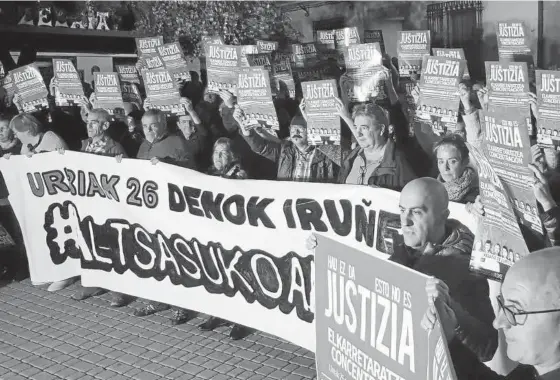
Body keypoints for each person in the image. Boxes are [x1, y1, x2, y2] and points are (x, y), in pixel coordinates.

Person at [308, 178, 498, 371]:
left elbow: (488, 347)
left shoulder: (467, 267)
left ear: (442, 216)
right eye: (402, 210)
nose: (405, 221)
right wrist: (325, 257)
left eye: (416, 212)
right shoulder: (409, 248)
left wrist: (451, 310)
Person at [427, 247, 560, 380]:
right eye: (503, 303)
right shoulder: (533, 371)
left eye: (515, 310)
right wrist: (449, 340)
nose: (498, 323)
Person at [8, 113, 72, 292]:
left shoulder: (51, 139)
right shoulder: (25, 145)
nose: (15, 136)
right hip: (40, 199)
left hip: (58, 198)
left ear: (27, 129)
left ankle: (65, 274)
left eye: (16, 132)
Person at [199, 138, 251, 340]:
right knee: (216, 274)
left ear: (233, 156)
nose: (219, 157)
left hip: (235, 235)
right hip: (213, 233)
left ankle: (241, 320)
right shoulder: (208, 173)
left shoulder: (240, 175)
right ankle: (218, 314)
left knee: (237, 276)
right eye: (216, 152)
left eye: (224, 153)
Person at [236, 108, 337, 183]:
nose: (295, 132)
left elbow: (341, 158)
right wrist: (245, 129)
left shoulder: (325, 154)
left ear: (311, 131)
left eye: (300, 129)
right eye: (293, 129)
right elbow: (259, 147)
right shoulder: (284, 151)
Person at [336, 99, 416, 190]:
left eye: (364, 128)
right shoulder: (351, 158)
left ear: (381, 129)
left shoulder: (400, 164)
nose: (358, 134)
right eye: (355, 127)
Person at [434, 134, 479, 204]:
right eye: (441, 161)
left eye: (452, 161)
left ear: (465, 161)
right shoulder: (432, 191)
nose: (445, 168)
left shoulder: (477, 197)